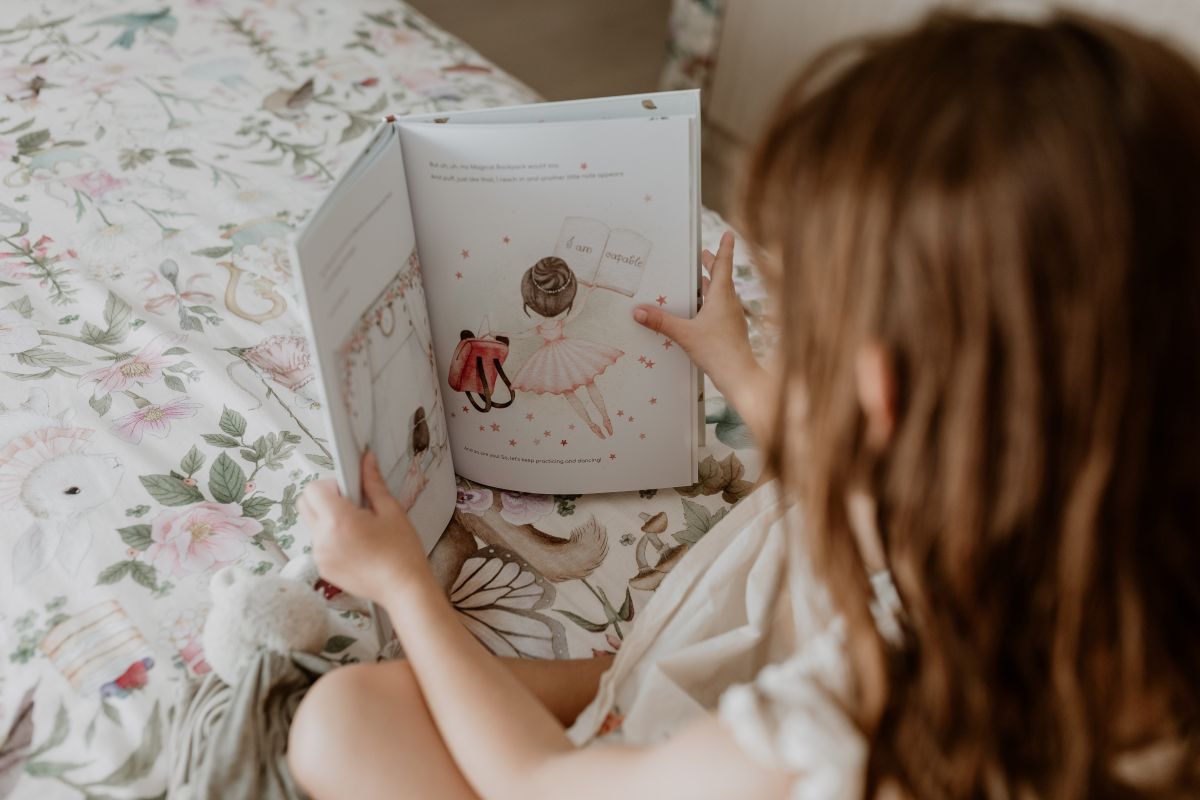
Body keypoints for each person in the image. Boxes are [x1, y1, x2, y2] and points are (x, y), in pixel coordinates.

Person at [288, 11, 1200, 799]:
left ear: (879, 394)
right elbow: (849, 485)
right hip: (698, 706)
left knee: (341, 723)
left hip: (638, 775)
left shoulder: (840, 735)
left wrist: (408, 587)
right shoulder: (1085, 523)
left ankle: (611, 696)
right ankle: (617, 685)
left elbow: (544, 787)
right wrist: (731, 357)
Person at [507, 256, 623, 439]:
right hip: (559, 355)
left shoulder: (544, 325)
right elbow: (521, 335)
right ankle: (594, 423)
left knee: (582, 385)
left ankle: (603, 418)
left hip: (563, 352)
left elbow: (521, 335)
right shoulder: (551, 323)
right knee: (578, 387)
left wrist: (588, 293)